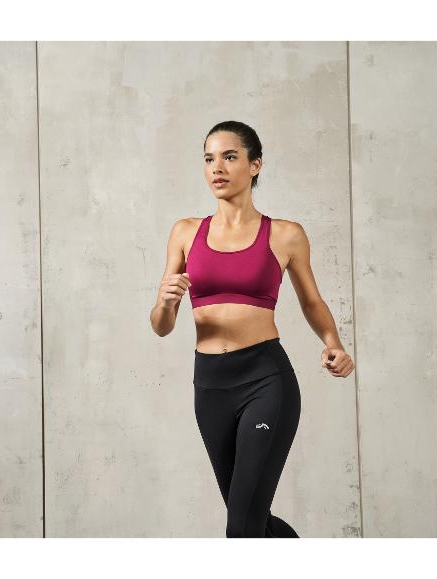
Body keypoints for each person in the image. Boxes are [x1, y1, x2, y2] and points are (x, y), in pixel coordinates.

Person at [149, 121, 355, 538]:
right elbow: (161, 326)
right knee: (252, 521)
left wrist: (333, 343)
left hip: (265, 380)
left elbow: (311, 301)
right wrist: (166, 303)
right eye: (209, 159)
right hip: (210, 386)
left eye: (230, 157)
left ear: (255, 165)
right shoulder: (186, 232)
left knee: (241, 527)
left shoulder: (286, 234)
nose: (217, 168)